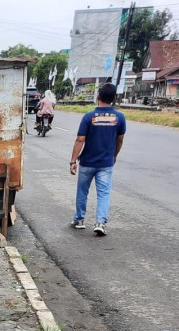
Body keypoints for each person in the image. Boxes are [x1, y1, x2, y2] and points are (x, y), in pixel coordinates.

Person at [69, 83, 126, 237]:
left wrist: (73, 161)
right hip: (106, 164)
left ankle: (79, 219)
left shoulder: (89, 117)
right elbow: (119, 140)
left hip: (87, 162)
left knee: (82, 191)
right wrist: (114, 155)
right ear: (114, 98)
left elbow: (80, 139)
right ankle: (100, 222)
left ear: (98, 96)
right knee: (104, 193)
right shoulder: (119, 117)